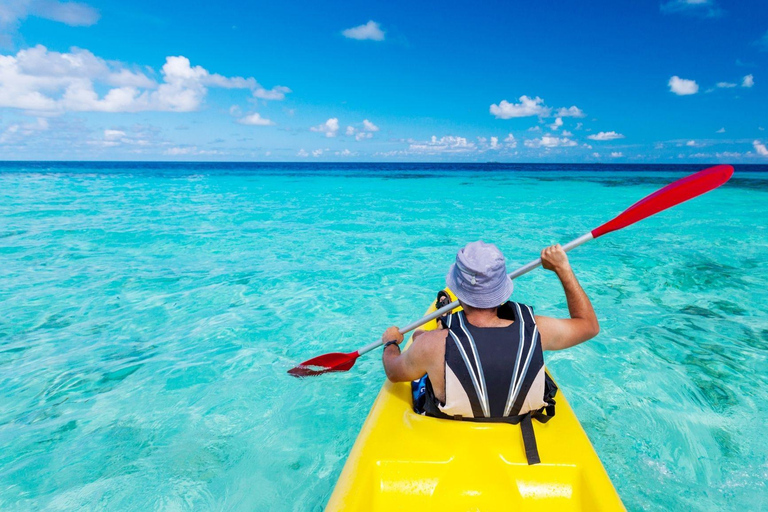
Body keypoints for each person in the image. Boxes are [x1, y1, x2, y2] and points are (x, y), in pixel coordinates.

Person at [379, 241, 599, 464]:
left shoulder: (431, 345)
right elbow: (589, 325)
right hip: (521, 431)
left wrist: (391, 343)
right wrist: (563, 268)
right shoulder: (540, 331)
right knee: (429, 342)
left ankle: (443, 324)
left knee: (422, 340)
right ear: (502, 290)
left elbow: (393, 371)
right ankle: (446, 326)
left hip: (450, 424)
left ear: (458, 290)